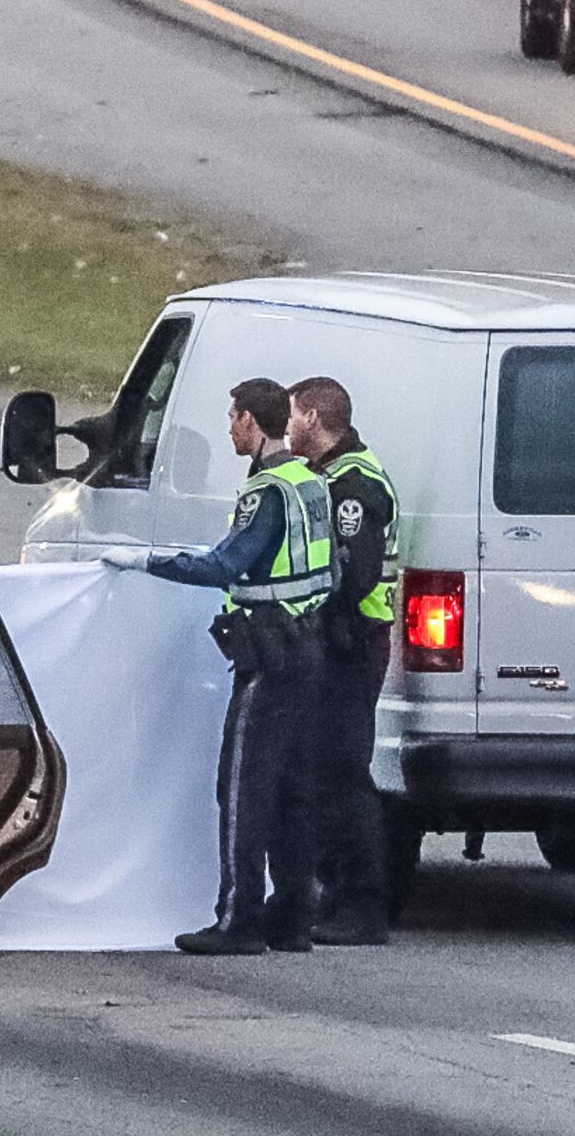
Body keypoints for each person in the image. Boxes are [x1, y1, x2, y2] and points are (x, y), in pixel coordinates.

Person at [106, 377, 333, 955]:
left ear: (252, 424)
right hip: (309, 649)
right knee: (294, 791)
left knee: (242, 788)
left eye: (233, 417)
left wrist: (145, 561)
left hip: (271, 655)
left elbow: (224, 565)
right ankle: (293, 918)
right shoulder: (312, 482)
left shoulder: (267, 492)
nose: (229, 428)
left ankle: (239, 920)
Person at [290, 376, 398, 947]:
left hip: (351, 641)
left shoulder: (354, 486)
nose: (286, 429)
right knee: (326, 770)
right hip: (341, 639)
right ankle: (334, 895)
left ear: (312, 418)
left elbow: (353, 576)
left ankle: (361, 905)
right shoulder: (332, 476)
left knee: (344, 774)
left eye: (291, 418)